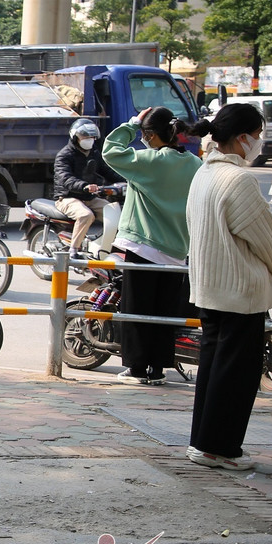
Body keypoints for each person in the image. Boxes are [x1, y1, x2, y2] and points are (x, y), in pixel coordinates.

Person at [185, 103, 272, 470]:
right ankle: (221, 448)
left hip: (210, 290)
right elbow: (264, 239)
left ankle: (202, 443)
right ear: (243, 137)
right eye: (258, 136)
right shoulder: (240, 180)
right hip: (240, 293)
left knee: (214, 370)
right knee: (236, 378)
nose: (259, 144)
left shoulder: (204, 173)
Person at [102, 106, 201, 385]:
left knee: (137, 309)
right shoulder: (195, 164)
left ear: (151, 135)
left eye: (145, 134)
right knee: (164, 313)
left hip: (144, 246)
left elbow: (111, 150)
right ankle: (157, 370)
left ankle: (135, 369)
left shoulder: (148, 161)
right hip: (177, 249)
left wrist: (131, 124)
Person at [53, 119, 123, 256]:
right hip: (67, 197)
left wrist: (128, 180)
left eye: (91, 137)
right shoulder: (64, 155)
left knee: (115, 214)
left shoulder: (94, 153)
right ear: (75, 137)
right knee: (86, 215)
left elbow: (107, 171)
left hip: (89, 197)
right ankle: (73, 250)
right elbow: (66, 178)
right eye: (85, 137)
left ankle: (105, 246)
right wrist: (85, 186)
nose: (89, 140)